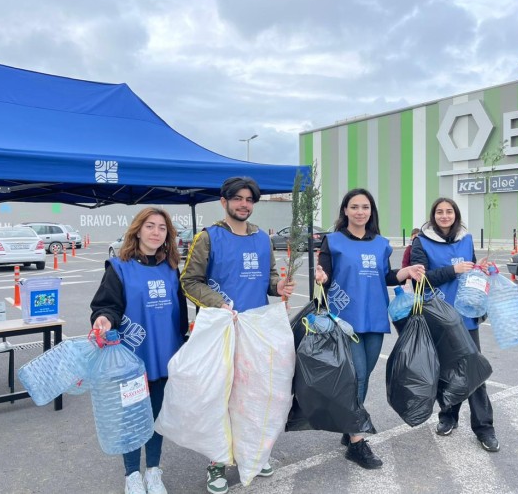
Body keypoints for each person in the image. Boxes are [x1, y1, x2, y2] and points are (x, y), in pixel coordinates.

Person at [180, 176, 294, 494]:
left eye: (249, 199)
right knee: (221, 397)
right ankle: (217, 465)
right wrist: (220, 303)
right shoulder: (209, 237)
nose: (244, 204)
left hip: (256, 330)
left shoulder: (262, 239)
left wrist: (278, 287)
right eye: (238, 198)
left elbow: (269, 278)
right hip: (222, 331)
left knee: (254, 395)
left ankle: (253, 455)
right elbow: (190, 281)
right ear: (224, 201)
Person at [314, 188, 425, 469]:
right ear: (345, 211)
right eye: (354, 207)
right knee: (358, 376)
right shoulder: (333, 241)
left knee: (365, 374)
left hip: (375, 318)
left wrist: (406, 273)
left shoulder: (381, 244)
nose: (360, 212)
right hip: (345, 319)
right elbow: (324, 279)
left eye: (365, 207)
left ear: (371, 212)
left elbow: (386, 276)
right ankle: (356, 441)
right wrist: (321, 276)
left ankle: (348, 423)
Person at [90, 207, 189, 494]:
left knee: (157, 417)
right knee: (132, 418)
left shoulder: (171, 270)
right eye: (150, 226)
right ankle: (132, 474)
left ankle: (154, 471)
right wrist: (104, 318)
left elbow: (180, 316)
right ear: (137, 230)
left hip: (164, 356)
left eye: (162, 228)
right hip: (132, 360)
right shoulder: (118, 267)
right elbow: (106, 305)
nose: (156, 232)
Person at [410, 197, 499, 452]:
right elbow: (419, 281)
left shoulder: (466, 239)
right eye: (440, 211)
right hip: (439, 316)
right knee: (447, 371)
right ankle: (448, 417)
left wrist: (480, 272)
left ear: (455, 214)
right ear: (433, 215)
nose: (445, 215)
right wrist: (454, 270)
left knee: (474, 371)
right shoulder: (422, 242)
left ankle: (485, 428)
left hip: (466, 315)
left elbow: (469, 272)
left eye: (449, 211)